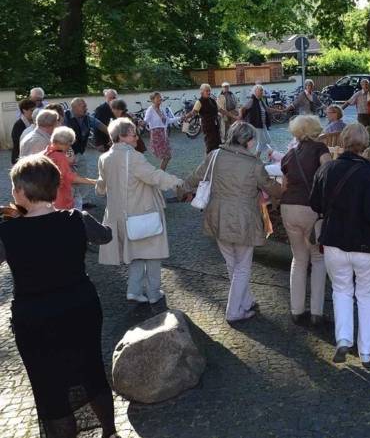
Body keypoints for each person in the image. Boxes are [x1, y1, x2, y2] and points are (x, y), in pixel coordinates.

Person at [0, 156, 118, 438]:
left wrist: (16, 221)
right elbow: (105, 236)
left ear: (22, 192)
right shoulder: (77, 219)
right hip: (80, 307)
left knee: (48, 385)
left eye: (14, 187)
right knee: (91, 370)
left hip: (35, 318)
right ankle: (109, 431)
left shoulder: (7, 231)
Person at [182, 122, 282, 323]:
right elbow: (271, 188)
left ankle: (245, 301)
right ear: (249, 141)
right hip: (244, 220)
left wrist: (179, 189)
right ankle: (234, 311)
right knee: (242, 267)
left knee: (232, 264)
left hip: (217, 216)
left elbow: (195, 177)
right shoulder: (254, 164)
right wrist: (287, 188)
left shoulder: (215, 156)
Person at [309, 123, 370, 364]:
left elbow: (315, 204)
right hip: (366, 244)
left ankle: (343, 338)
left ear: (343, 141)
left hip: (334, 241)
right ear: (364, 144)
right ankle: (366, 351)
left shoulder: (327, 169)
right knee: (367, 295)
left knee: (341, 290)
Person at [96, 118, 184, 304]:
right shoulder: (134, 157)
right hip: (142, 212)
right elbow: (154, 176)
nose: (137, 137)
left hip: (120, 215)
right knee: (153, 253)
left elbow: (101, 186)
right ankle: (153, 293)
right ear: (121, 137)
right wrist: (178, 183)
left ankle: (134, 290)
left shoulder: (104, 158)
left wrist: (101, 188)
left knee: (135, 253)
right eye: (133, 134)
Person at [280, 115, 332, 325]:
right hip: (312, 209)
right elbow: (329, 176)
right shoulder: (321, 150)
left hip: (288, 208)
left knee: (299, 258)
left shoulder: (289, 155)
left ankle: (296, 310)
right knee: (318, 259)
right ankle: (316, 313)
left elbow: (284, 186)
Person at [43, 127, 97, 210]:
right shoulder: (60, 157)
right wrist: (93, 181)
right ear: (64, 143)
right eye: (69, 144)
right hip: (60, 198)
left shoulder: (47, 150)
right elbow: (69, 177)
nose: (69, 147)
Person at [240, 84, 277, 160]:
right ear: (255, 92)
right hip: (256, 124)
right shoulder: (252, 100)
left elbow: (267, 109)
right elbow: (242, 109)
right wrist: (241, 118)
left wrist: (279, 111)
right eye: (260, 90)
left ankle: (256, 158)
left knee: (267, 140)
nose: (261, 92)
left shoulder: (260, 100)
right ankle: (271, 154)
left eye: (262, 90)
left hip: (262, 124)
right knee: (262, 141)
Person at [144, 92, 180, 170]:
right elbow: (145, 121)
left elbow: (168, 121)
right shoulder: (150, 110)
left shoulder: (162, 109)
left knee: (167, 156)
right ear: (152, 100)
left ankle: (161, 173)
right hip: (157, 136)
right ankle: (160, 173)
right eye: (157, 97)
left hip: (164, 135)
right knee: (166, 156)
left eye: (160, 97)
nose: (160, 98)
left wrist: (180, 117)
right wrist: (140, 123)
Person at [189, 83, 221, 154]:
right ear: (202, 92)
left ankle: (215, 159)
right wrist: (186, 117)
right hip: (207, 126)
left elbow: (221, 110)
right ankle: (208, 159)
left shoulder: (212, 100)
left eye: (209, 91)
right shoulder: (199, 102)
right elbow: (194, 112)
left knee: (217, 144)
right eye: (207, 91)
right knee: (210, 145)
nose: (208, 92)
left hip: (215, 125)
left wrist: (234, 116)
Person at [12, 99, 36, 164]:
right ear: (24, 110)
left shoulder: (33, 122)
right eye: (32, 110)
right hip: (19, 159)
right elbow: (18, 143)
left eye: (34, 110)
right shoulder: (18, 125)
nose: (34, 112)